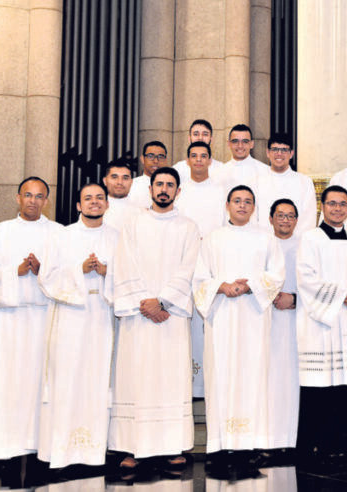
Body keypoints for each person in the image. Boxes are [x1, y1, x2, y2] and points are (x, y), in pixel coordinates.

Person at [107, 167, 200, 470]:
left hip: (170, 317)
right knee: (136, 379)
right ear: (149, 189)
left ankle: (172, 445)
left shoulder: (188, 227)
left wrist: (163, 301)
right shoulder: (133, 225)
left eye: (170, 185)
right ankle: (131, 446)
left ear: (178, 191)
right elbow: (124, 264)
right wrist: (145, 303)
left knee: (170, 380)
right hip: (139, 317)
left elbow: (189, 269)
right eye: (159, 184)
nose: (164, 189)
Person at [0, 177, 63, 472]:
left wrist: (42, 271)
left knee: (41, 386)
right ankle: (7, 452)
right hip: (9, 323)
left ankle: (40, 451)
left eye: (39, 196)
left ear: (46, 201)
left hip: (44, 320)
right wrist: (17, 271)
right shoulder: (0, 232)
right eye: (28, 195)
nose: (33, 201)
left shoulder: (59, 234)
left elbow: (68, 278)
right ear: (17, 198)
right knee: (7, 385)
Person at [193, 185, 284, 462]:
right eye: (237, 201)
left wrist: (250, 286)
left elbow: (276, 275)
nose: (242, 206)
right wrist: (223, 286)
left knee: (252, 374)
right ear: (228, 205)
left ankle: (250, 445)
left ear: (254, 208)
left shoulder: (266, 240)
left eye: (248, 202)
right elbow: (199, 278)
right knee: (220, 374)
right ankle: (220, 446)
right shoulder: (212, 239)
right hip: (221, 318)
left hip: (253, 318)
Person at [37, 183, 119, 470]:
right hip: (71, 318)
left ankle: (95, 453)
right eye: (88, 198)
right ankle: (64, 452)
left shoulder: (118, 238)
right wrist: (79, 270)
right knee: (68, 381)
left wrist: (108, 271)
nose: (94, 202)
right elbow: (46, 277)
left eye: (100, 198)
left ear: (107, 204)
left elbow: (130, 276)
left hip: (103, 317)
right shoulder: (62, 236)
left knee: (99, 382)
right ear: (78, 206)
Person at [295, 185, 347, 461]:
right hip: (322, 321)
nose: (337, 209)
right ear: (322, 208)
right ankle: (320, 442)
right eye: (332, 204)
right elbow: (306, 278)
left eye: (342, 204)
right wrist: (342, 293)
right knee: (322, 383)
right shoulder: (310, 239)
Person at [174, 140, 226, 399]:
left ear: (210, 160)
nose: (198, 160)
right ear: (187, 161)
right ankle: (189, 384)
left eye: (203, 156)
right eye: (193, 156)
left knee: (208, 322)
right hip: (185, 261)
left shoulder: (220, 190)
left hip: (211, 261)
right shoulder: (180, 193)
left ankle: (208, 383)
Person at [268, 199, 303, 457]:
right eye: (280, 215)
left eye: (290, 216)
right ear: (270, 219)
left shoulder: (306, 246)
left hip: (297, 320)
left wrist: (295, 299)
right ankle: (268, 439)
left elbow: (316, 281)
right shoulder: (261, 244)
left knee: (293, 380)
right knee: (269, 379)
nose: (285, 220)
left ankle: (293, 439)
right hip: (266, 321)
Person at [256, 132, 317, 234]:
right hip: (264, 241)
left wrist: (292, 240)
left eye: (284, 150)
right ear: (267, 152)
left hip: (296, 243)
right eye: (275, 149)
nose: (279, 153)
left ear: (291, 154)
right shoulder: (257, 181)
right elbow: (253, 217)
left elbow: (309, 218)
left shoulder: (304, 182)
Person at [172, 119, 225, 183]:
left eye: (205, 134)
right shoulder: (177, 169)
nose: (200, 138)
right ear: (189, 138)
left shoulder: (222, 169)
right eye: (196, 134)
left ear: (211, 139)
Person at [223, 124, 267, 193]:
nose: (240, 146)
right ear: (229, 144)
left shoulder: (265, 171)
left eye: (245, 141)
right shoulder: (220, 172)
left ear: (252, 144)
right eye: (235, 141)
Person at [128, 140, 169, 207]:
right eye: (150, 156)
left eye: (160, 157)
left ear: (165, 160)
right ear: (142, 159)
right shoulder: (131, 186)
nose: (156, 161)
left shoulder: (172, 187)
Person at [102, 159, 138, 231]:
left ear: (131, 182)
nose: (120, 182)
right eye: (114, 177)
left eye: (125, 178)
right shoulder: (95, 211)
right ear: (105, 181)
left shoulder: (141, 213)